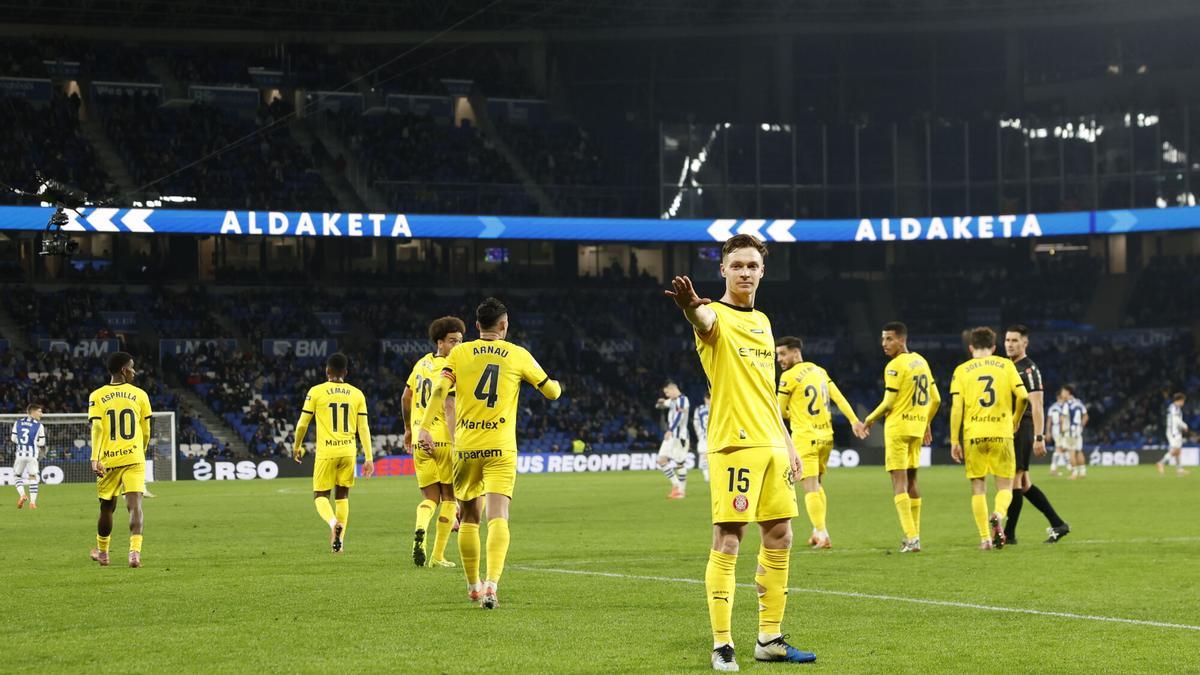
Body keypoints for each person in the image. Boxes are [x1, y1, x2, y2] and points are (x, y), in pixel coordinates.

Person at [664, 234, 815, 671]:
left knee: (781, 535)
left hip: (772, 444)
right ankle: (722, 644)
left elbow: (767, 391)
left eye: (752, 265)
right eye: (737, 265)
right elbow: (702, 319)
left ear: (762, 271)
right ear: (724, 271)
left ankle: (770, 638)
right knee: (729, 538)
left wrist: (788, 442)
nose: (745, 271)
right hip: (735, 443)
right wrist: (690, 305)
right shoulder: (716, 316)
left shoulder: (765, 322)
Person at [418, 297, 562, 610]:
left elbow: (441, 392)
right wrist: (557, 385)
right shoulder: (517, 354)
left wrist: (425, 427)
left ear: (477, 325)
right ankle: (492, 585)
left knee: (469, 517)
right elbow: (551, 392)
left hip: (467, 447)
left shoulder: (459, 352)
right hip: (501, 448)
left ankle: (472, 586)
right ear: (504, 325)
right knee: (499, 517)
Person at [854, 321, 940, 553]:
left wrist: (868, 420)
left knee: (898, 483)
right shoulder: (920, 361)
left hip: (898, 430)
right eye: (883, 339)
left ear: (901, 340)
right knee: (913, 481)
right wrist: (926, 422)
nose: (884, 344)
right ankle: (915, 536)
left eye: (889, 339)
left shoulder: (894, 366)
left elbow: (889, 403)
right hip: (916, 429)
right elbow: (937, 399)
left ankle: (911, 539)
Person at [775, 336, 866, 550]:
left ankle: (823, 534)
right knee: (818, 486)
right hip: (826, 437)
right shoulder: (819, 371)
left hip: (805, 438)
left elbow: (778, 413)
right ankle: (817, 531)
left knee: (810, 488)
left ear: (796, 353)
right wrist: (854, 420)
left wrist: (789, 413)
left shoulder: (788, 377)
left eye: (782, 354)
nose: (779, 359)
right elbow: (839, 397)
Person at [949, 327, 1028, 550]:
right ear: (994, 348)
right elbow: (1023, 396)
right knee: (1005, 485)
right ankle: (999, 514)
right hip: (1001, 433)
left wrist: (954, 440)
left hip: (974, 435)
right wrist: (1015, 419)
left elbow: (957, 408)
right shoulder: (1006, 365)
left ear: (971, 347)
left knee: (978, 487)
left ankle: (985, 539)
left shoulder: (961, 371)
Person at [292, 353, 374, 554]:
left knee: (320, 495)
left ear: (327, 371)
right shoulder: (357, 394)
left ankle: (332, 523)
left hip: (326, 451)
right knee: (342, 496)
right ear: (346, 372)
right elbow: (363, 428)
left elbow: (303, 423)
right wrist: (369, 457)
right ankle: (339, 543)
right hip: (348, 451)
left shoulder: (316, 391)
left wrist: (297, 445)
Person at [402, 316, 465, 567]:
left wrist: (408, 429)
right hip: (442, 439)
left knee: (429, 498)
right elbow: (449, 405)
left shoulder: (420, 364)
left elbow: (406, 397)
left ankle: (420, 531)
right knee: (449, 498)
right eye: (452, 341)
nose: (457, 345)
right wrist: (455, 441)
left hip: (420, 438)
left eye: (460, 340)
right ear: (440, 342)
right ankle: (437, 556)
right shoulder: (451, 369)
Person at [1002, 326, 1070, 544]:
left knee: (1015, 479)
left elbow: (1037, 404)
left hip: (1024, 426)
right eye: (1007, 340)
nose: (1010, 344)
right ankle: (1058, 524)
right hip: (1011, 426)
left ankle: (1009, 535)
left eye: (1014, 340)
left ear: (1025, 343)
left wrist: (1039, 437)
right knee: (1024, 484)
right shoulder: (1008, 367)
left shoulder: (1029, 369)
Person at [88, 352, 152, 568]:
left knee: (107, 508)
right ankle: (134, 554)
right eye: (132, 367)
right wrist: (140, 451)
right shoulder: (141, 395)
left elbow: (97, 427)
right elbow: (146, 430)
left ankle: (103, 554)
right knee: (135, 506)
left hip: (108, 460)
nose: (134, 371)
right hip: (134, 457)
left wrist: (94, 458)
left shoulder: (97, 395)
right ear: (124, 370)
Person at [655, 381, 691, 499]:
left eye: (667, 392)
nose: (667, 395)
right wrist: (660, 403)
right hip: (670, 437)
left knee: (679, 464)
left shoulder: (683, 400)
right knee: (661, 460)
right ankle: (676, 485)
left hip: (680, 437)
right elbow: (663, 404)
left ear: (673, 390)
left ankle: (681, 491)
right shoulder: (672, 401)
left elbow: (679, 416)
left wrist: (670, 429)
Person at [12, 402, 46, 509]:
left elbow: (13, 439)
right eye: (40, 412)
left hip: (20, 454)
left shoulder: (17, 422)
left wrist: (23, 443)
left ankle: (22, 495)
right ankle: (32, 503)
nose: (42, 414)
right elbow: (42, 442)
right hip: (32, 455)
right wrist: (33, 443)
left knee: (17, 476)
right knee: (33, 477)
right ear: (33, 412)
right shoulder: (39, 425)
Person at [1058, 386, 1088, 479]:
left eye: (1063, 392)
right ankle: (1083, 472)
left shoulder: (1067, 404)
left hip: (1070, 432)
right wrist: (1081, 426)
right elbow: (1086, 416)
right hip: (1078, 431)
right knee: (1079, 451)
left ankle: (1074, 473)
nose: (1061, 394)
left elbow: (1062, 418)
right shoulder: (1079, 402)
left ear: (1068, 392)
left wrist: (1062, 431)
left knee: (1071, 452)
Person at [1156, 393, 1190, 476]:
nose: (1183, 403)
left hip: (1176, 431)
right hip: (1173, 432)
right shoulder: (1174, 408)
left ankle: (1179, 469)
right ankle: (1161, 463)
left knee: (1178, 450)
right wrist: (1184, 425)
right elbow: (1176, 419)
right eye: (1183, 401)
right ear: (1180, 400)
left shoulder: (1175, 408)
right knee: (1175, 450)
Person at [1046, 397, 1069, 476]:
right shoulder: (1062, 407)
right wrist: (1063, 430)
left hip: (1054, 430)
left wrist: (1048, 432)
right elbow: (1062, 420)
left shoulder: (1052, 407)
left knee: (1062, 448)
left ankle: (1069, 467)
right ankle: (1053, 469)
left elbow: (1049, 421)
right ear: (1059, 398)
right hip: (1060, 430)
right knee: (1059, 449)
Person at [693, 392, 711, 482]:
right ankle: (708, 477)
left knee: (704, 457)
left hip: (703, 437)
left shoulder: (699, 409)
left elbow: (696, 424)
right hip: (714, 436)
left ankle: (707, 476)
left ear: (705, 399)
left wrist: (698, 435)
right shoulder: (716, 408)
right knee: (707, 457)